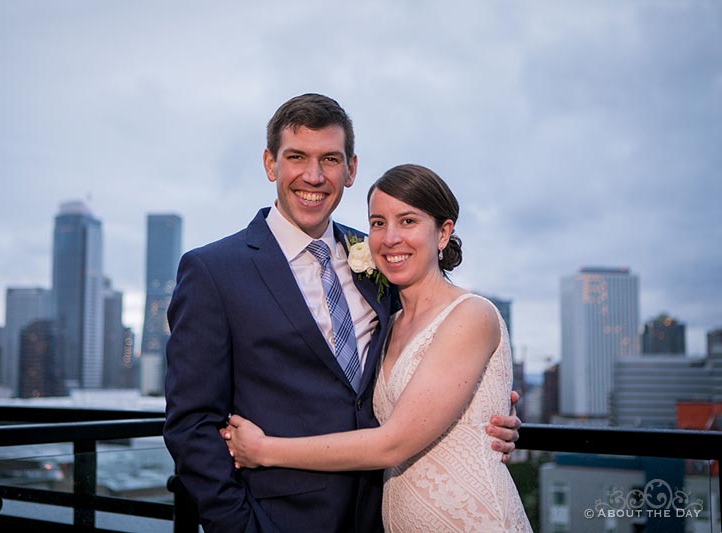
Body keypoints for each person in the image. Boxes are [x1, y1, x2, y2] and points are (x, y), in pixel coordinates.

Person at [163, 94, 521, 533]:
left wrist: (483, 413)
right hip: (277, 520)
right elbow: (191, 424)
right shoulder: (214, 271)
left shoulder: (378, 256)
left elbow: (427, 355)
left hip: (378, 514)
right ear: (270, 164)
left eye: (330, 159)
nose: (313, 176)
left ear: (350, 169)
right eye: (296, 156)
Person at [223, 164, 533, 532]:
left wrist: (264, 450)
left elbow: (393, 443)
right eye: (377, 223)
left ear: (443, 233)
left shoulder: (472, 314)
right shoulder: (387, 320)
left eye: (407, 221)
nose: (389, 239)